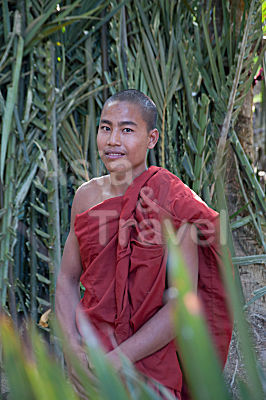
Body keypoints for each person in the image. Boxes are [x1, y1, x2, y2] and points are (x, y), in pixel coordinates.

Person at [55, 89, 232, 399]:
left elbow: (180, 305)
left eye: (126, 130)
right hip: (90, 363)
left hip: (150, 369)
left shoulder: (173, 202)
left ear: (152, 139)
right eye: (105, 127)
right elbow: (68, 277)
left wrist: (118, 359)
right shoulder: (86, 197)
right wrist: (71, 345)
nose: (112, 140)